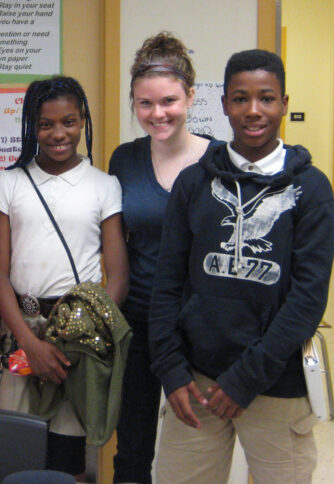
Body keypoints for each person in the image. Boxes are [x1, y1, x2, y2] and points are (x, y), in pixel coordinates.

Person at [148, 49, 334, 484]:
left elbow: (308, 300)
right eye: (240, 98)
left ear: (284, 104)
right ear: (224, 105)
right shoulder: (194, 183)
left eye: (266, 98)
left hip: (275, 382)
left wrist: (246, 379)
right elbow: (167, 283)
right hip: (195, 383)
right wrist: (171, 369)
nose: (253, 110)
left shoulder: (311, 189)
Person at [0, 76, 129, 479]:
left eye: (68, 122)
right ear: (32, 126)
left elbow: (118, 276)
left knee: (68, 455)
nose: (58, 134)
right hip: (20, 331)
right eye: (46, 124)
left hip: (78, 339)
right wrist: (30, 344)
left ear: (82, 121)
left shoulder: (104, 185)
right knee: (17, 450)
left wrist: (85, 331)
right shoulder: (10, 182)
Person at [107, 31, 212, 484]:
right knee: (131, 448)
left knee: (197, 445)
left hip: (199, 327)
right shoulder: (125, 160)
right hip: (140, 322)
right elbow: (117, 245)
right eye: (144, 104)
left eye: (169, 101)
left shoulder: (219, 161)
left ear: (190, 97)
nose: (157, 113)